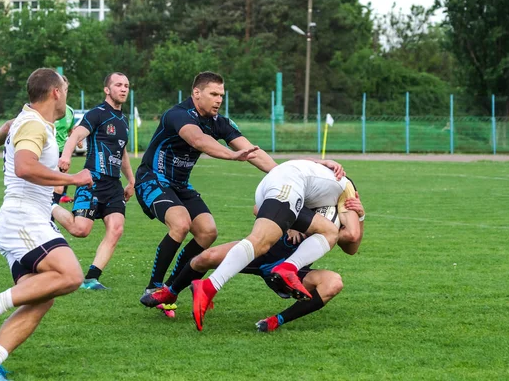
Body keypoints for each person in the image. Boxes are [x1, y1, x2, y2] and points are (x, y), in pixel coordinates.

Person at [0, 68, 92, 381]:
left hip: (27, 218)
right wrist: (71, 178)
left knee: (41, 297)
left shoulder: (30, 120)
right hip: (23, 217)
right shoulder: (35, 126)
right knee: (72, 275)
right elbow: (24, 167)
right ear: (55, 93)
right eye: (65, 87)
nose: (66, 93)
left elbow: (12, 125)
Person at [134, 71, 272, 302]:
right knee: (180, 223)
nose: (219, 100)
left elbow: (252, 152)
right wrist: (231, 155)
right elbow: (198, 140)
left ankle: (170, 289)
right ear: (196, 93)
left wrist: (284, 173)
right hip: (152, 178)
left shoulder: (219, 123)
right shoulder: (177, 115)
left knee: (208, 232)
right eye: (214, 94)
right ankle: (153, 287)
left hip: (180, 185)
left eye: (222, 95)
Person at [143, 192, 365, 329]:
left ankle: (275, 321)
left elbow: (352, 244)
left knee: (333, 282)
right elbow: (258, 207)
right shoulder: (301, 190)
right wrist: (290, 222)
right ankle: (170, 292)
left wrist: (360, 217)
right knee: (206, 257)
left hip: (291, 272)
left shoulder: (345, 203)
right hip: (263, 250)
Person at [182, 159, 358, 331]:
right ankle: (201, 287)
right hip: (285, 193)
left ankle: (276, 314)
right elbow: (352, 233)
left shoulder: (321, 183)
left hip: (272, 185)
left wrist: (360, 215)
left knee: (327, 248)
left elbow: (353, 239)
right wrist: (290, 222)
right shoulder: (344, 188)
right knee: (220, 253)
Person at [52, 72, 135, 290]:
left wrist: (131, 181)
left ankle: (90, 278)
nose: (124, 89)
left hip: (114, 185)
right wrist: (66, 156)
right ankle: (50, 206)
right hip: (92, 181)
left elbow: (122, 152)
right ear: (107, 90)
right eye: (118, 85)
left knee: (116, 228)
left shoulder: (123, 120)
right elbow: (75, 136)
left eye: (126, 85)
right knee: (81, 230)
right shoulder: (97, 114)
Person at [53, 98, 78, 205]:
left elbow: (70, 129)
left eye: (66, 89)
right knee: (56, 184)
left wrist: (76, 138)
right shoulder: (48, 109)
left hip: (64, 150)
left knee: (62, 178)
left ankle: (62, 196)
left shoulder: (70, 111)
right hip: (50, 151)